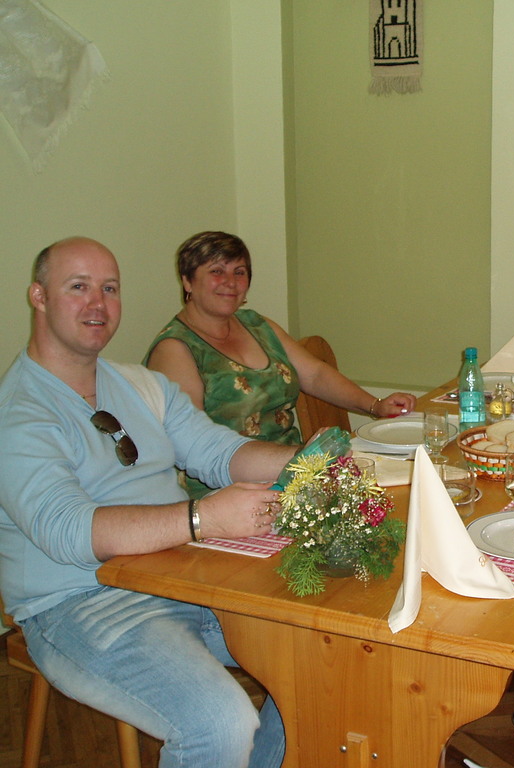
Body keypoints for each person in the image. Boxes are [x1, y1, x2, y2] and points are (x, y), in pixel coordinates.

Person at [0, 237, 306, 768]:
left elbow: (220, 452)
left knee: (314, 658)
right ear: (39, 297)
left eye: (110, 289)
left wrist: (315, 462)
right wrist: (201, 518)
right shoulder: (20, 414)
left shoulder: (140, 385)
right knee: (220, 721)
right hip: (79, 601)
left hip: (183, 574)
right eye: (79, 287)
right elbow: (70, 532)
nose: (98, 303)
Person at [145, 231, 416, 497]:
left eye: (239, 272)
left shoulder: (257, 325)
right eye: (217, 271)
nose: (230, 282)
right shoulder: (175, 350)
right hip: (228, 491)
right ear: (188, 281)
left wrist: (375, 405)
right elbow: (195, 445)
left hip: (296, 471)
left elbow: (315, 374)